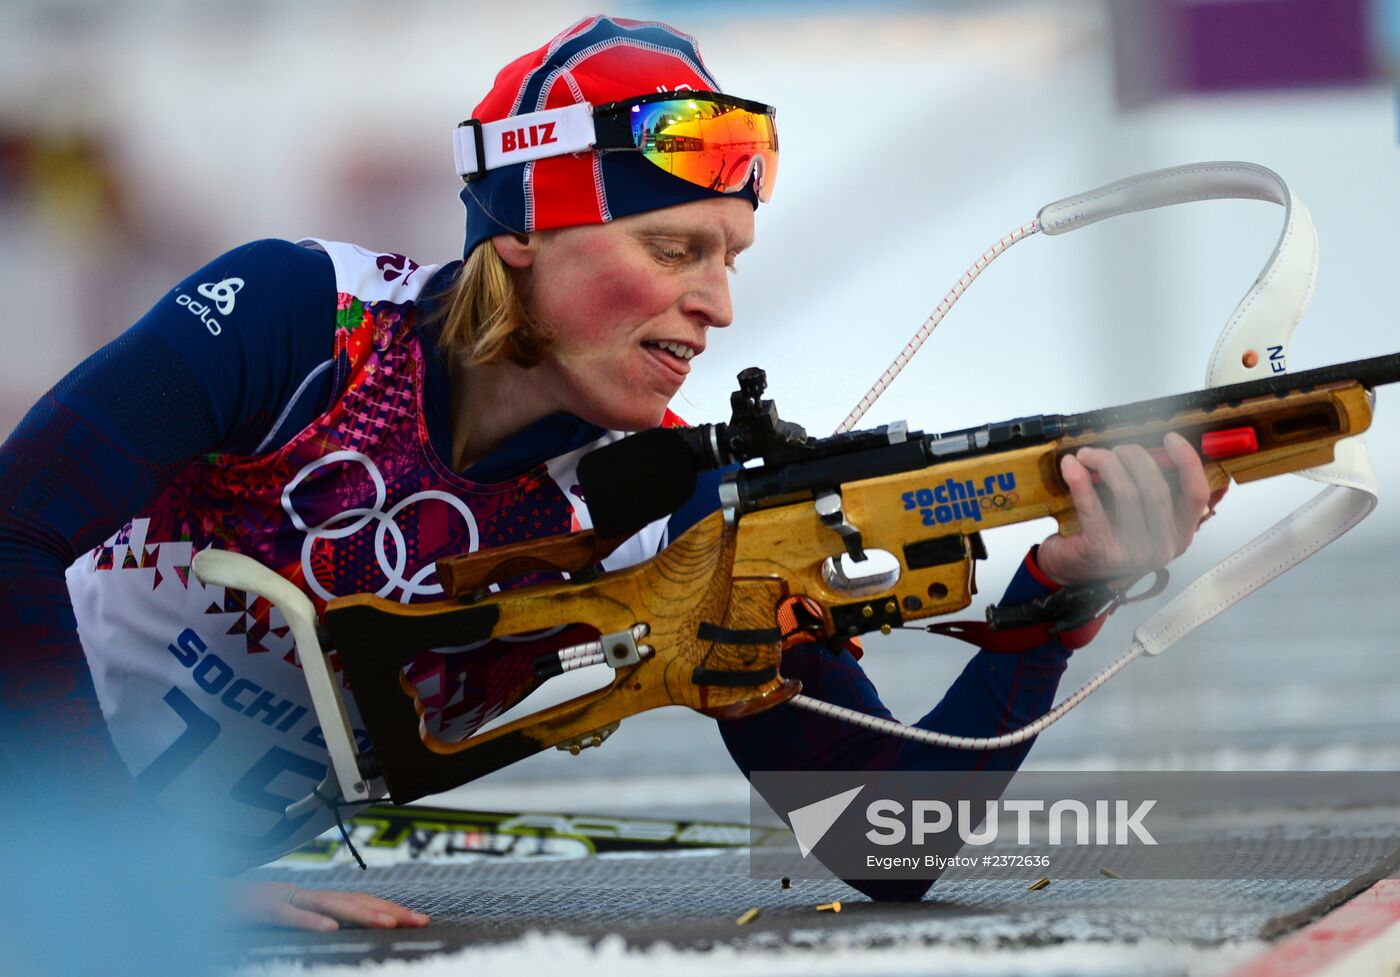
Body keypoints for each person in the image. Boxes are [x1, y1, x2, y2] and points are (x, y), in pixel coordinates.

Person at [0, 15, 1213, 933]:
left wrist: (1055, 594)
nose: (717, 304)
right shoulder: (301, 320)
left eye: (729, 258)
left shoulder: (669, 508)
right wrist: (125, 871)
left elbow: (878, 842)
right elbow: (12, 531)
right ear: (523, 230)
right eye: (673, 247)